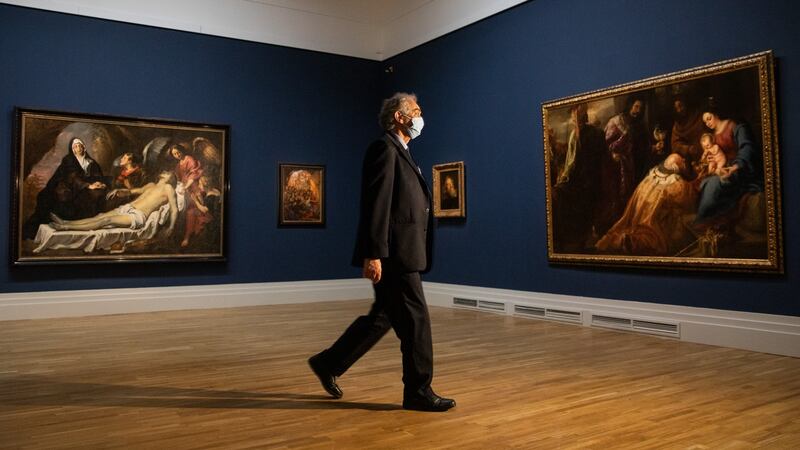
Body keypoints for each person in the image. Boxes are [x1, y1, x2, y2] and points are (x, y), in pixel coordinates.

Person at [308, 93, 455, 412]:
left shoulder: (402, 151)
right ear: (400, 118)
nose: (420, 117)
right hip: (395, 255)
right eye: (416, 111)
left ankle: (328, 363)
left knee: (383, 317)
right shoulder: (385, 149)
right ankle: (418, 391)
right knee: (417, 323)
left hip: (401, 252)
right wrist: (373, 253)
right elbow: (377, 205)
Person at [595, 153, 697, 256]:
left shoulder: (650, 176)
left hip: (637, 219)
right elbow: (688, 200)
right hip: (653, 224)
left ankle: (628, 240)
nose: (684, 162)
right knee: (652, 238)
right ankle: (633, 241)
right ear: (676, 167)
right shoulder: (677, 183)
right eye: (682, 162)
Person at [23, 137, 108, 239]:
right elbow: (72, 177)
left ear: (84, 147)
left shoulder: (91, 162)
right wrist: (88, 185)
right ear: (73, 149)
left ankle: (89, 226)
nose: (78, 148)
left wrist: (101, 183)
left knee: (97, 195)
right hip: (67, 186)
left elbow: (98, 175)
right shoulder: (69, 160)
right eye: (75, 146)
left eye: (80, 145)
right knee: (57, 197)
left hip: (84, 187)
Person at [694, 103, 762, 225]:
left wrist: (736, 166)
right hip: (723, 169)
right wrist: (711, 161)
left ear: (715, 114)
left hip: (739, 169)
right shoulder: (712, 137)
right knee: (705, 183)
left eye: (709, 118)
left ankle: (702, 221)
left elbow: (747, 148)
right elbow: (715, 156)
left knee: (714, 184)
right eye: (705, 122)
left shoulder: (734, 126)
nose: (708, 123)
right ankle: (708, 221)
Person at [49, 171, 178, 235]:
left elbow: (174, 209)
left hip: (137, 216)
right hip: (127, 208)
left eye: (168, 173)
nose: (165, 171)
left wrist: (172, 227)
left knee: (106, 221)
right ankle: (65, 222)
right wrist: (118, 190)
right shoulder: (151, 185)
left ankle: (65, 227)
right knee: (99, 216)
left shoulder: (168, 188)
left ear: (170, 179)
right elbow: (132, 191)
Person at [552, 103, 605, 251]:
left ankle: (580, 236)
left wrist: (565, 178)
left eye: (578, 113)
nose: (575, 117)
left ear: (583, 115)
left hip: (585, 181)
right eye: (574, 113)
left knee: (562, 195)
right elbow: (571, 160)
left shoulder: (592, 133)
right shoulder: (575, 134)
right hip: (582, 179)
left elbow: (574, 163)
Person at [598, 96, 649, 234]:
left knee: (629, 199)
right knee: (614, 199)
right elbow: (605, 145)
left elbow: (641, 148)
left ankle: (626, 227)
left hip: (631, 167)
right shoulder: (615, 122)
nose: (638, 111)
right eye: (636, 106)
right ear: (630, 105)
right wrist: (612, 154)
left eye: (641, 108)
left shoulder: (639, 126)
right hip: (614, 168)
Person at [669, 95, 706, 163]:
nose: (679, 110)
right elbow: (675, 145)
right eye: (676, 108)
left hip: (707, 151)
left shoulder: (698, 116)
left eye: (681, 106)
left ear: (685, 104)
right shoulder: (677, 126)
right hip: (690, 160)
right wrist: (687, 149)